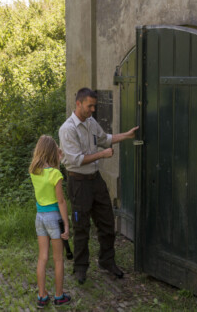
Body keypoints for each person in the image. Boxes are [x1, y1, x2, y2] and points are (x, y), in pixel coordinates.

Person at [58, 87, 139, 284]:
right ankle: (80, 267)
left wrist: (127, 136)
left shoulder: (91, 122)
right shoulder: (67, 129)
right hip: (78, 182)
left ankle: (107, 261)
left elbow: (105, 139)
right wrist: (102, 155)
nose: (93, 109)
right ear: (78, 104)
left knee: (107, 223)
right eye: (89, 106)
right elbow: (76, 160)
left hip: (96, 180)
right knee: (81, 226)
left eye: (94, 106)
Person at [29, 135, 72, 308]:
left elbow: (49, 171)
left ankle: (41, 296)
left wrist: (57, 159)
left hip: (40, 217)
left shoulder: (34, 171)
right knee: (59, 259)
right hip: (54, 218)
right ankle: (59, 296)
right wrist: (66, 223)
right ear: (52, 151)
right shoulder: (55, 174)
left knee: (42, 258)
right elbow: (61, 201)